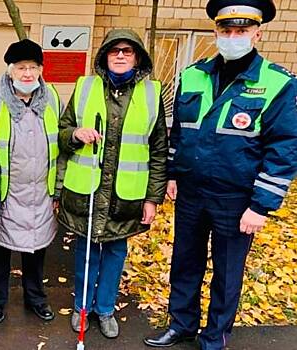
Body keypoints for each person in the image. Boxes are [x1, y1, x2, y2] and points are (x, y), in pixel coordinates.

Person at [144, 0, 297, 349]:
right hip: (192, 192)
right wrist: (172, 174)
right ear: (216, 32)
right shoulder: (193, 74)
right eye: (226, 31)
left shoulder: (277, 83)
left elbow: (284, 147)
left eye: (241, 31)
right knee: (184, 264)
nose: (232, 37)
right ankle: (181, 324)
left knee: (227, 274)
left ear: (257, 33)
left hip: (237, 197)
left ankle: (214, 337)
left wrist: (261, 205)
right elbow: (179, 132)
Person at [58, 29, 167, 339]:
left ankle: (105, 309)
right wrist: (76, 135)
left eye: (127, 51)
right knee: (86, 253)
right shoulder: (85, 87)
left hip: (126, 196)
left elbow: (158, 151)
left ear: (138, 58)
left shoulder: (150, 94)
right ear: (105, 56)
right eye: (114, 50)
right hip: (87, 193)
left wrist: (152, 199)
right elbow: (62, 134)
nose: (120, 55)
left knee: (116, 253)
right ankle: (82, 307)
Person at [0, 39, 61, 324]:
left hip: (40, 191)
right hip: (6, 191)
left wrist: (57, 190)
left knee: (36, 249)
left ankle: (36, 298)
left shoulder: (52, 99)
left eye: (33, 67)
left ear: (40, 70)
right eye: (21, 68)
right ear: (10, 70)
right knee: (1, 248)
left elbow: (58, 145)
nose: (27, 74)